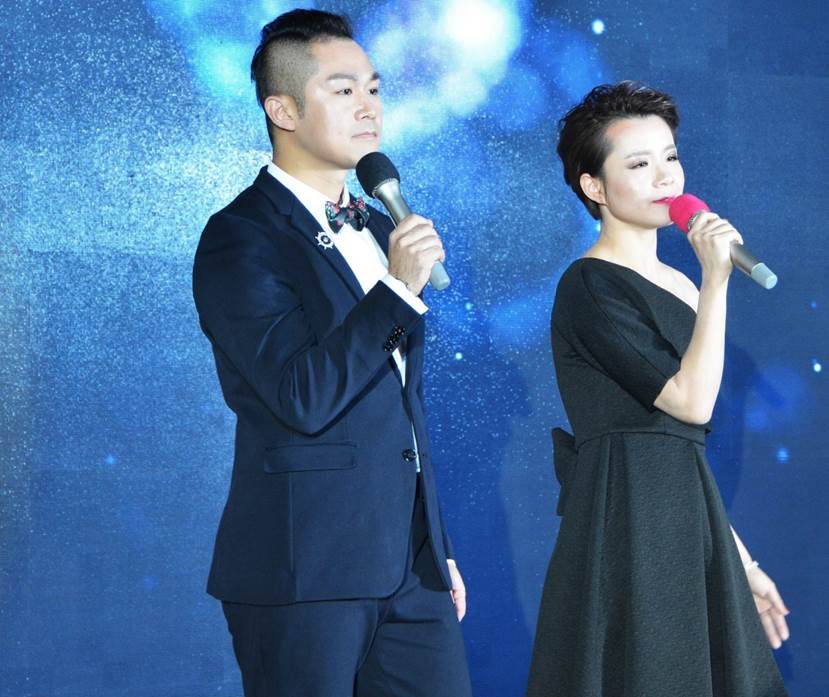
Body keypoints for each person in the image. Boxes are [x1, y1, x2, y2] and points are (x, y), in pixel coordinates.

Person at [191, 9, 472, 697]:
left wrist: (433, 544)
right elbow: (302, 395)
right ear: (282, 110)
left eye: (373, 89)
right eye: (343, 90)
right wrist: (396, 292)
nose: (368, 107)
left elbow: (400, 404)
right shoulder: (240, 236)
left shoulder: (379, 225)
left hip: (409, 567)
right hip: (304, 569)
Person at [526, 82, 790, 696]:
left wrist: (741, 563)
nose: (665, 176)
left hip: (685, 519)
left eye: (670, 156)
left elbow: (682, 449)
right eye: (639, 164)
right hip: (627, 522)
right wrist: (716, 281)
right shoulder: (589, 284)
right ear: (594, 187)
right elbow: (688, 404)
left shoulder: (682, 284)